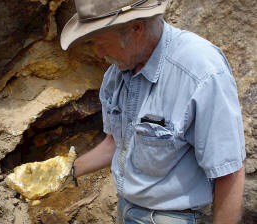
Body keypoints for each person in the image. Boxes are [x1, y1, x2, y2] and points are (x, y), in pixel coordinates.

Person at [60, 0, 246, 223]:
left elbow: (229, 171)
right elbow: (117, 143)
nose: (99, 53)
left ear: (136, 28)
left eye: (102, 43)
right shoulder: (117, 73)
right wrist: (65, 171)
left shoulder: (200, 72)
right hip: (127, 209)